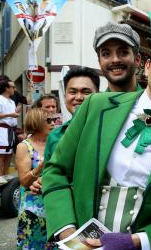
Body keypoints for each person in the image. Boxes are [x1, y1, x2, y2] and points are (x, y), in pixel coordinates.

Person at [42, 2, 151, 250]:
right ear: (147, 65)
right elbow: (56, 170)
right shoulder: (96, 106)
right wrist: (67, 231)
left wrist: (138, 242)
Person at [27, 68, 101, 197]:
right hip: (65, 208)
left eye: (86, 92)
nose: (78, 97)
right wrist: (40, 183)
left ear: (98, 94)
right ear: (65, 95)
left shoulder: (107, 129)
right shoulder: (55, 136)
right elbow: (50, 175)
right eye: (72, 92)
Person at [15, 108, 58, 250]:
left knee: (54, 246)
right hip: (33, 208)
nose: (54, 123)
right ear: (37, 122)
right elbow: (24, 181)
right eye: (49, 121)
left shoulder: (55, 143)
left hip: (54, 203)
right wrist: (40, 167)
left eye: (54, 120)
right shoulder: (24, 146)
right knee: (34, 246)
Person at [93, 22, 143, 92]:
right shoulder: (94, 102)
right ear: (99, 62)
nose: (115, 60)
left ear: (137, 59)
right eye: (106, 54)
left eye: (123, 52)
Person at [0, 79, 19, 179]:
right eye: (13, 87)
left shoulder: (12, 102)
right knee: (0, 157)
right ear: (6, 88)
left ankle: (4, 183)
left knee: (8, 157)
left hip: (10, 132)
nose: (15, 89)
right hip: (0, 131)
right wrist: (11, 114)